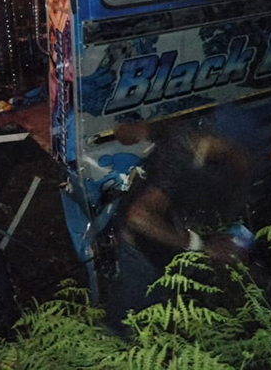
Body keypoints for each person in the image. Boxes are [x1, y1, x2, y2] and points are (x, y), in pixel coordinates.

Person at [106, 107, 256, 334]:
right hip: (144, 252)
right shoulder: (178, 162)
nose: (239, 158)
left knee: (165, 314)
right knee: (131, 320)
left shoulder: (189, 135)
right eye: (235, 150)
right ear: (221, 140)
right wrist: (201, 245)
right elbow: (138, 217)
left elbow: (135, 131)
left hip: (177, 244)